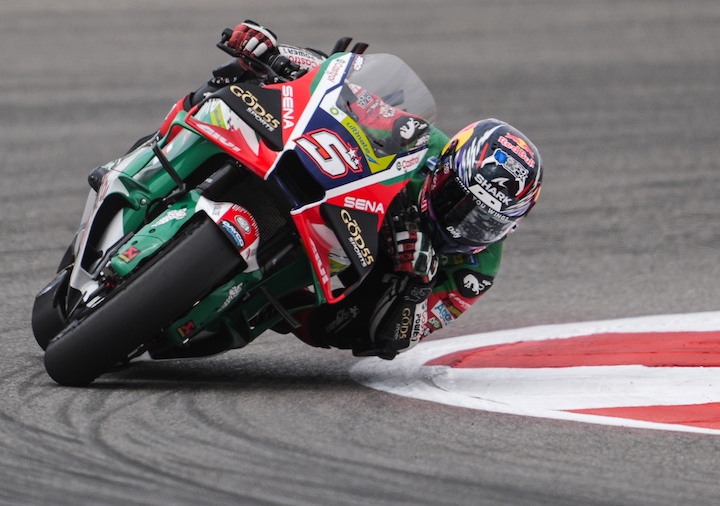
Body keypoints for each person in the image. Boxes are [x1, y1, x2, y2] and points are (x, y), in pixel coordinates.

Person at [187, 21, 543, 360]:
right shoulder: (421, 141)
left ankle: (261, 297)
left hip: (329, 298)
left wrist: (416, 283)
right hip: (331, 197)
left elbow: (399, 340)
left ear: (510, 228)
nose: (460, 225)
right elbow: (342, 88)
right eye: (457, 201)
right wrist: (277, 55)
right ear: (443, 169)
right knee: (244, 78)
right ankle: (172, 152)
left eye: (485, 224)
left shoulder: (476, 272)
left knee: (372, 321)